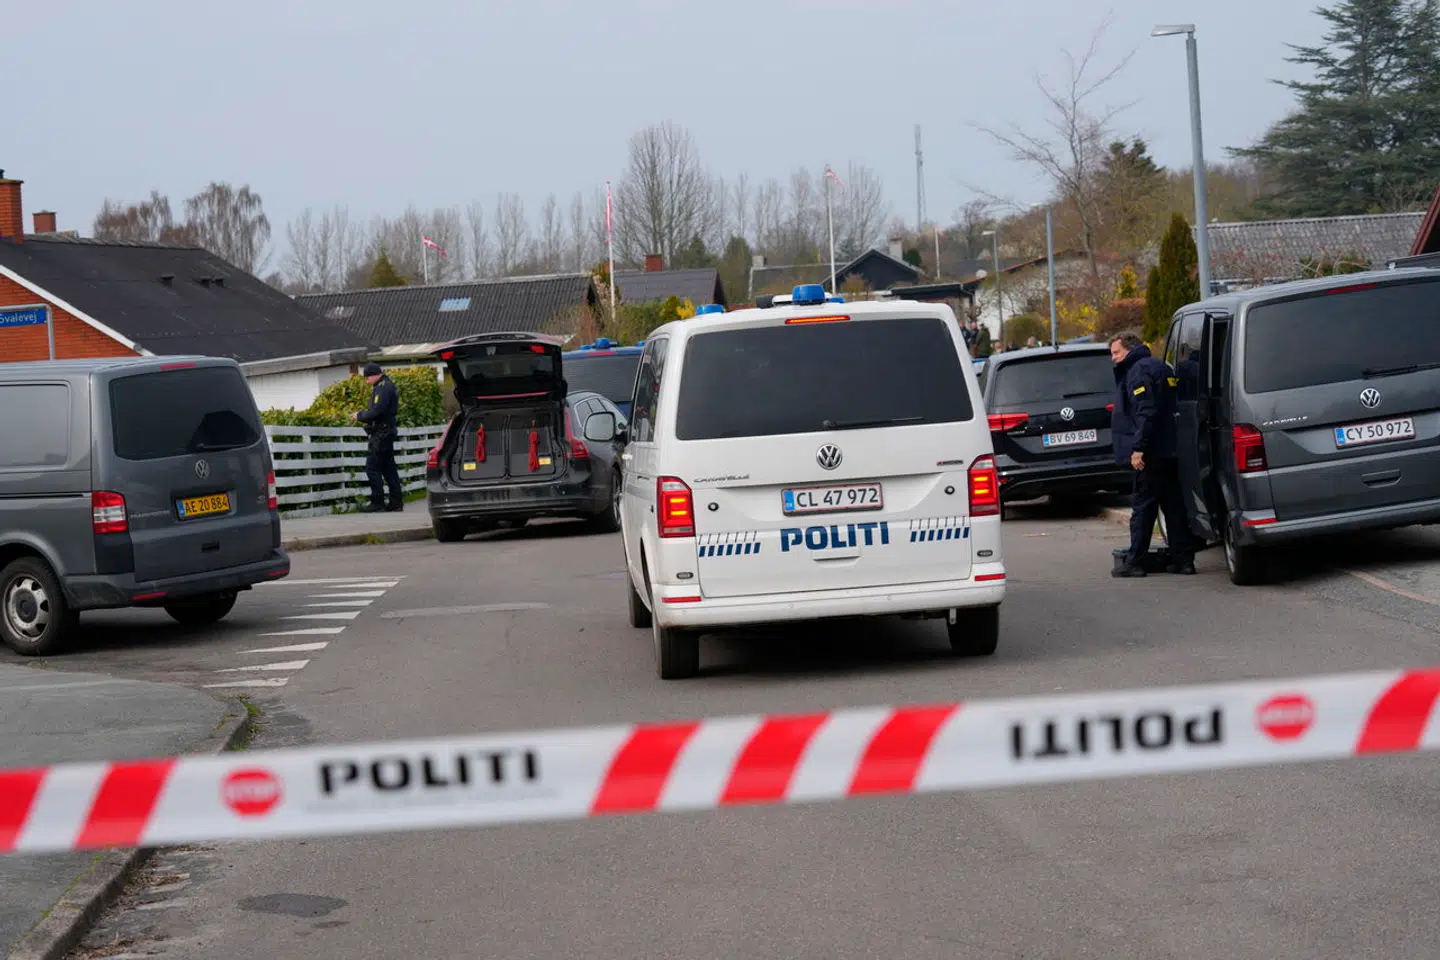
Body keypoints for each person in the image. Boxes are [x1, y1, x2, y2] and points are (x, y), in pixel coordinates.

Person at [1108, 332, 1194, 577]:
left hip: (1151, 453)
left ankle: (1134, 561)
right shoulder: (1160, 366)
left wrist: (1138, 448)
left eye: (1116, 353)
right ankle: (1183, 559)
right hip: (1170, 450)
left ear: (1130, 349)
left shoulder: (1137, 372)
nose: (1113, 359)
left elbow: (1146, 413)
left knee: (1144, 508)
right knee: (1173, 507)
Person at [355, 363, 403, 513]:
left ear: (374, 375)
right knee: (389, 468)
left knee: (372, 467)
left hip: (381, 433)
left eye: (367, 377)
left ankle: (377, 502)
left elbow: (377, 411)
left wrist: (359, 415)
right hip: (387, 431)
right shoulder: (387, 385)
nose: (367, 381)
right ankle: (396, 502)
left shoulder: (382, 388)